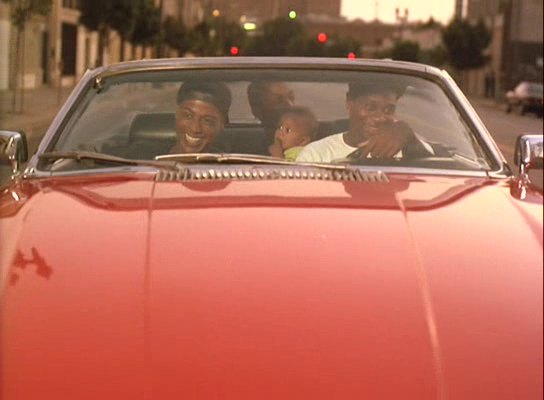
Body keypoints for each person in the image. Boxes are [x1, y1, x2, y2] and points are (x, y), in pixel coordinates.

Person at [296, 81, 433, 163]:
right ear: (349, 102)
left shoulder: (404, 146)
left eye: (388, 110)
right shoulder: (316, 154)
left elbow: (435, 168)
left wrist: (410, 139)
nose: (380, 118)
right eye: (370, 107)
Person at [171, 81, 232, 154]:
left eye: (207, 121)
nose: (195, 129)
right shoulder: (157, 156)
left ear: (222, 124)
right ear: (177, 114)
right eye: (188, 116)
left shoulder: (230, 161)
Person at [247, 81, 295, 156]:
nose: (291, 106)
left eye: (291, 97)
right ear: (257, 110)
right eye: (279, 101)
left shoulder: (312, 142)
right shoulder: (252, 154)